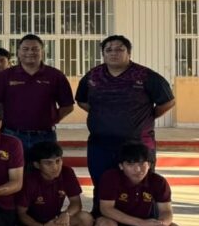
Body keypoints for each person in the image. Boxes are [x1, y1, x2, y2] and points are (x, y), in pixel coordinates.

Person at [75, 35, 175, 187]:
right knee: (103, 186)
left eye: (119, 49)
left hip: (138, 143)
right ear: (103, 54)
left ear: (129, 53)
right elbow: (82, 101)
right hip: (101, 145)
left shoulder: (145, 75)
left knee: (141, 188)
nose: (113, 53)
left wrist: (148, 116)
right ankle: (102, 211)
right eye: (108, 50)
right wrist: (101, 115)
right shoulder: (93, 76)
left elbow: (168, 101)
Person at [88, 142, 183, 226]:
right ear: (121, 166)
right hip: (116, 225)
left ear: (149, 164)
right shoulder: (110, 178)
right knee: (103, 225)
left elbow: (166, 210)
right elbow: (106, 209)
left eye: (141, 163)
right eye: (130, 164)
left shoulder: (158, 181)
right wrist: (141, 223)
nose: (138, 169)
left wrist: (163, 225)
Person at [0, 34, 74, 154]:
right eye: (25, 49)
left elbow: (67, 106)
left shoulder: (55, 75)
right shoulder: (4, 76)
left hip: (45, 136)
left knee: (46, 172)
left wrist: (52, 120)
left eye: (35, 49)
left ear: (42, 52)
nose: (30, 52)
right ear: (18, 52)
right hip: (12, 135)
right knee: (14, 171)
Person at [15, 140, 91, 226]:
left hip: (54, 220)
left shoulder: (67, 172)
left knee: (86, 218)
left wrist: (66, 214)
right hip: (31, 225)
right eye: (48, 163)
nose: (55, 167)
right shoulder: (29, 179)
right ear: (37, 165)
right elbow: (21, 213)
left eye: (58, 161)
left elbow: (76, 203)